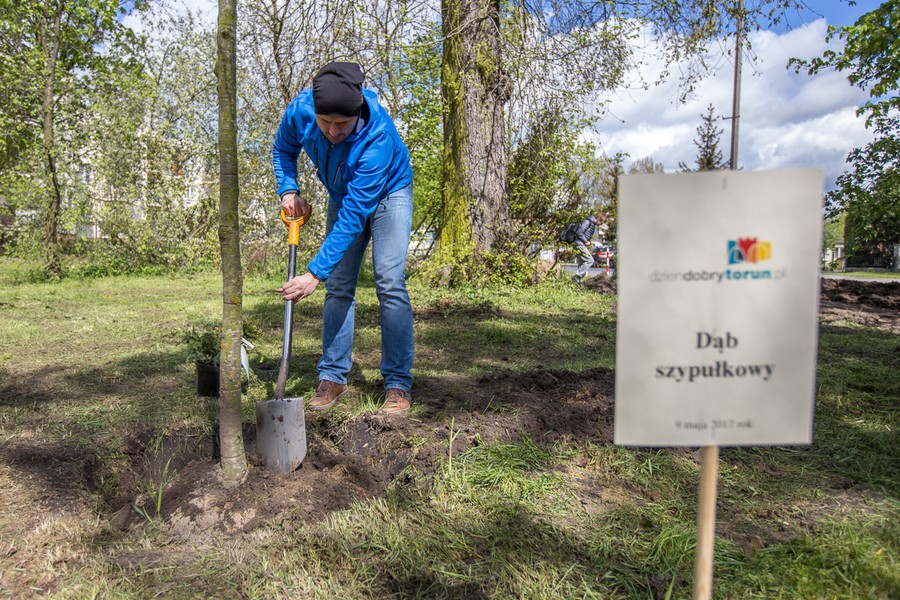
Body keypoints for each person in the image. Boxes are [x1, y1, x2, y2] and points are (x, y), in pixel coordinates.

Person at [272, 61, 414, 414]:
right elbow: (282, 151)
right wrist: (288, 190)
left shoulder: (377, 136)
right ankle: (333, 377)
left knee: (389, 281)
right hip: (342, 193)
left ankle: (397, 384)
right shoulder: (300, 111)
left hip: (389, 194)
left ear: (357, 113)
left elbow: (353, 218)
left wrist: (313, 273)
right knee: (340, 286)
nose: (333, 132)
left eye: (342, 124)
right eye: (326, 123)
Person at [572, 214, 605, 283]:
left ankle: (577, 282)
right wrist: (586, 241)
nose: (600, 224)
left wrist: (588, 242)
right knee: (590, 261)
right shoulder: (587, 222)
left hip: (581, 244)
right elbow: (579, 232)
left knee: (582, 263)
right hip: (579, 244)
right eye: (601, 222)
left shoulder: (592, 224)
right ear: (598, 219)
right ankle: (577, 276)